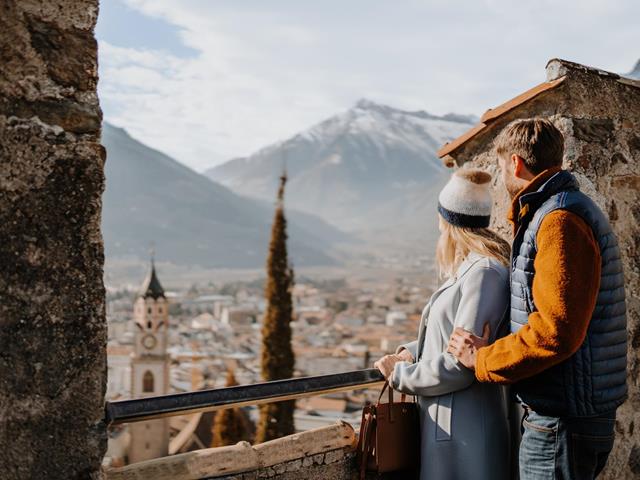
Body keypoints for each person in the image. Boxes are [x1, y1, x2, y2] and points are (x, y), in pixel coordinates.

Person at [448, 118, 627, 480]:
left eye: (501, 169)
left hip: (561, 421)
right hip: (573, 415)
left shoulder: (559, 219)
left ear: (515, 163)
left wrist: (482, 359)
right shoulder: (566, 209)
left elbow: (555, 330)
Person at [374, 168, 512, 480]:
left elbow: (461, 364)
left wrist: (401, 374)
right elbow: (449, 336)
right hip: (452, 427)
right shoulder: (471, 268)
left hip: (465, 432)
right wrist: (411, 351)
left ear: (447, 220)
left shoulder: (483, 274)